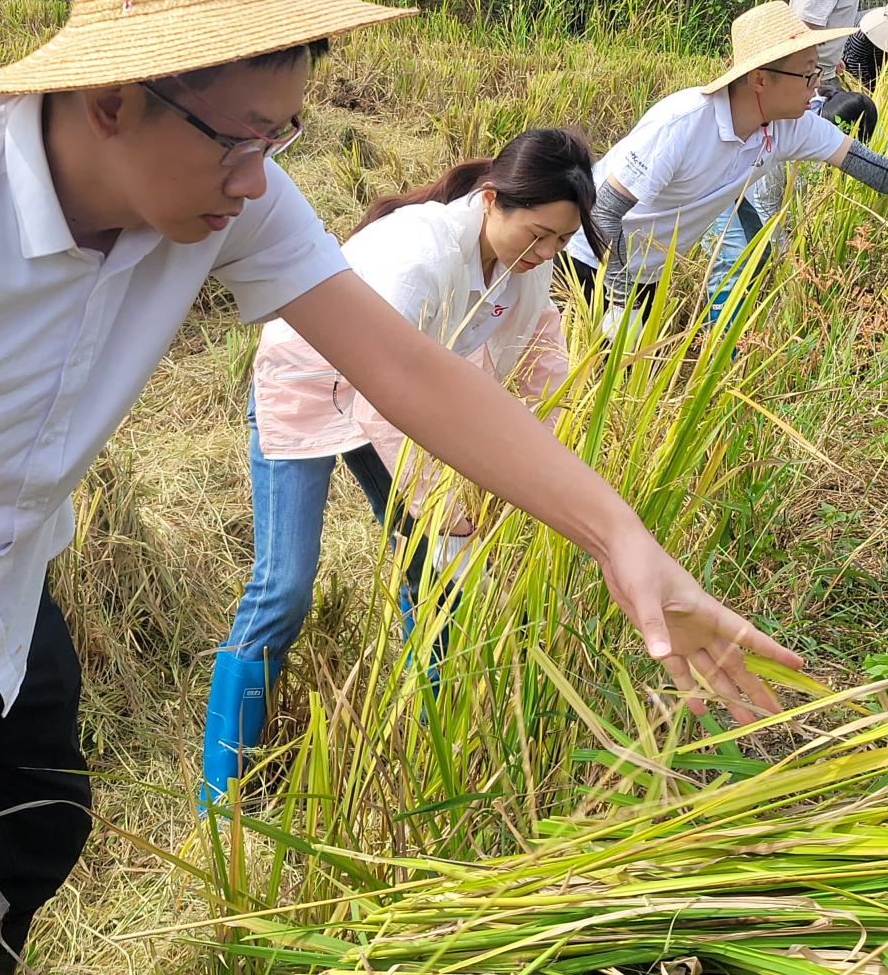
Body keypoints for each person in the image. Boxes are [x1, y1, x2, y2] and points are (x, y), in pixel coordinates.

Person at [0, 0, 798, 974]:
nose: (259, 181)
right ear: (113, 99)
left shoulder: (223, 197)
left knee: (37, 821)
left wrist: (620, 537)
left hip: (0, 564)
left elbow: (405, 369)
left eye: (284, 137)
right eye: (237, 138)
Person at [203, 128, 603, 803]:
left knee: (435, 576)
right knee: (284, 586)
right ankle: (221, 792)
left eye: (561, 242)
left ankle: (434, 742)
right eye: (536, 235)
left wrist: (558, 468)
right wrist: (440, 500)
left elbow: (541, 369)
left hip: (391, 396)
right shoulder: (416, 257)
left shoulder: (523, 272)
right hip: (307, 387)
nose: (545, 254)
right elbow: (381, 399)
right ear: (489, 200)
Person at [558, 1, 888, 335]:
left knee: (623, 382)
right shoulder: (684, 124)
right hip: (584, 258)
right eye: (807, 74)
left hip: (645, 270)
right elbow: (602, 215)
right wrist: (618, 302)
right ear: (760, 79)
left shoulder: (789, 125)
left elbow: (880, 171)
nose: (816, 85)